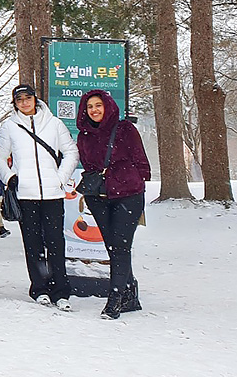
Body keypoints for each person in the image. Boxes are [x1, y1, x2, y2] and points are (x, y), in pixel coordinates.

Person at [0, 84, 79, 311]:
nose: (24, 102)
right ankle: (39, 288)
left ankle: (61, 291)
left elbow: (71, 151)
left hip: (53, 194)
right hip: (26, 195)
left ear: (35, 99)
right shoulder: (10, 127)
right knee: (33, 245)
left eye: (27, 97)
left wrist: (60, 178)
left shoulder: (54, 123)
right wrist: (10, 178)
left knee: (56, 243)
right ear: (15, 103)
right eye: (19, 99)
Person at [76, 89, 150, 320]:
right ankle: (130, 294)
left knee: (120, 246)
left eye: (98, 105)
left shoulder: (125, 129)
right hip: (98, 197)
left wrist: (134, 179)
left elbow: (140, 159)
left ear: (107, 106)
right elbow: (88, 165)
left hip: (127, 194)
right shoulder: (84, 135)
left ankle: (115, 299)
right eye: (90, 107)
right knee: (113, 247)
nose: (94, 110)